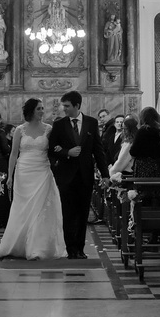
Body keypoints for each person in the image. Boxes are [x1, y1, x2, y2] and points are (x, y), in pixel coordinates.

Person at [0, 98, 67, 260]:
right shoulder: (20, 130)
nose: (42, 111)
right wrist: (10, 176)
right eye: (39, 108)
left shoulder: (49, 129)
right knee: (22, 208)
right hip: (24, 171)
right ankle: (19, 244)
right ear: (31, 110)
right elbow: (13, 154)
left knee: (41, 208)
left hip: (42, 170)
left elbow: (54, 149)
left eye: (42, 108)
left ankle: (38, 247)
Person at [48, 90, 109, 259]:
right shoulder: (60, 125)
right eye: (63, 106)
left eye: (67, 106)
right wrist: (67, 152)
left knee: (82, 214)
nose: (64, 109)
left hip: (85, 175)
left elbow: (98, 150)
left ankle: (80, 249)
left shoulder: (91, 123)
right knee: (68, 213)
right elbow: (52, 149)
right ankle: (70, 248)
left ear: (77, 106)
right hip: (66, 176)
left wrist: (105, 174)